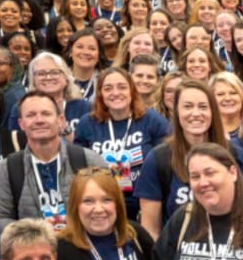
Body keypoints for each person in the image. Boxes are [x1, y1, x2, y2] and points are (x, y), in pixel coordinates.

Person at [135, 79, 237, 239]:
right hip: (178, 250)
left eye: (203, 107)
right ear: (176, 112)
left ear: (213, 111)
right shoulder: (158, 158)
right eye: (188, 106)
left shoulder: (234, 153)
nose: (196, 113)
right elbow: (150, 230)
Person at [0, 91, 106, 234]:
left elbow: (110, 204)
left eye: (46, 114)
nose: (39, 120)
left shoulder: (88, 159)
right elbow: (1, 217)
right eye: (31, 115)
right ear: (21, 124)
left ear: (60, 120)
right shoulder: (8, 167)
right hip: (33, 245)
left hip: (82, 242)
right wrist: (31, 236)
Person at [73, 67, 171, 220]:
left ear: (132, 91)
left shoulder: (152, 120)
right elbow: (79, 169)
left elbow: (166, 162)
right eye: (108, 88)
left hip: (144, 202)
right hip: (102, 204)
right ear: (100, 94)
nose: (115, 92)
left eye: (122, 87)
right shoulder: (87, 123)